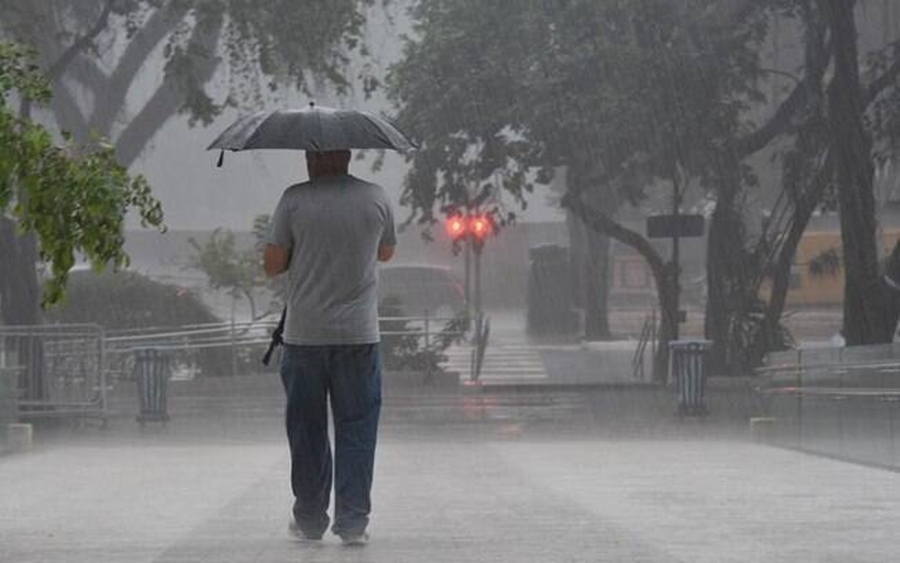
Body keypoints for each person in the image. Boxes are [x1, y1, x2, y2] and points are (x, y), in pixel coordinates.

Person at [263, 149, 396, 545]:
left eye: (309, 154)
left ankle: (309, 518)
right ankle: (353, 522)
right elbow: (385, 252)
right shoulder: (375, 197)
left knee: (307, 428)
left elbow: (272, 264)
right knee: (357, 428)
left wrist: (304, 249)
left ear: (312, 158)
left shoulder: (294, 199)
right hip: (358, 336)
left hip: (305, 337)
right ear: (348, 154)